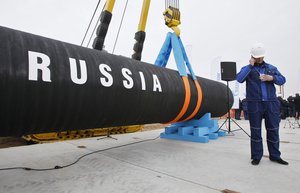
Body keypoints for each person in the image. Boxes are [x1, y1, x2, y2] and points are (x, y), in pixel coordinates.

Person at [236, 43, 288, 166]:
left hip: (271, 103)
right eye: (256, 57)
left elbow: (283, 79)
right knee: (255, 131)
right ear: (252, 56)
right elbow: (239, 79)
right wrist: (250, 66)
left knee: (273, 130)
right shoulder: (247, 68)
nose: (259, 59)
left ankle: (275, 156)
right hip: (255, 104)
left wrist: (272, 78)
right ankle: (256, 156)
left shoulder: (271, 68)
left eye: (260, 57)